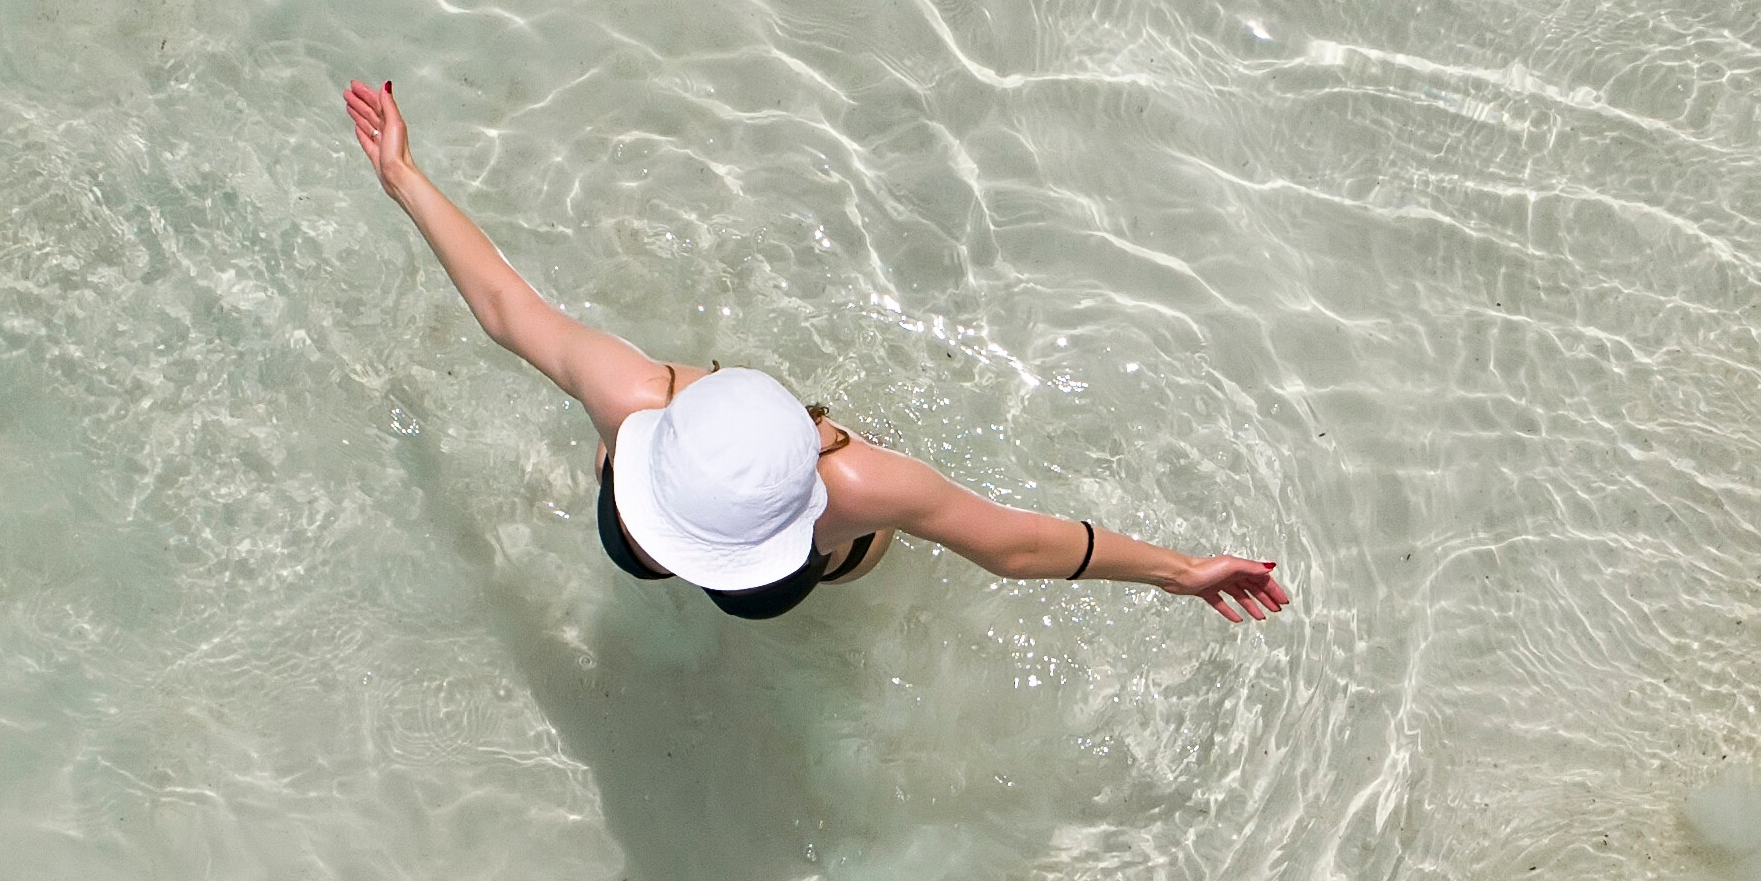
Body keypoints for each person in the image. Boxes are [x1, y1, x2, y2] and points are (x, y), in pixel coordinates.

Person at [344, 81, 1290, 627]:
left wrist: (1181, 571)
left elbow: (1015, 546)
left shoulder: (859, 494)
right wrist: (402, 177)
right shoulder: (629, 397)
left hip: (829, 530)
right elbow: (506, 307)